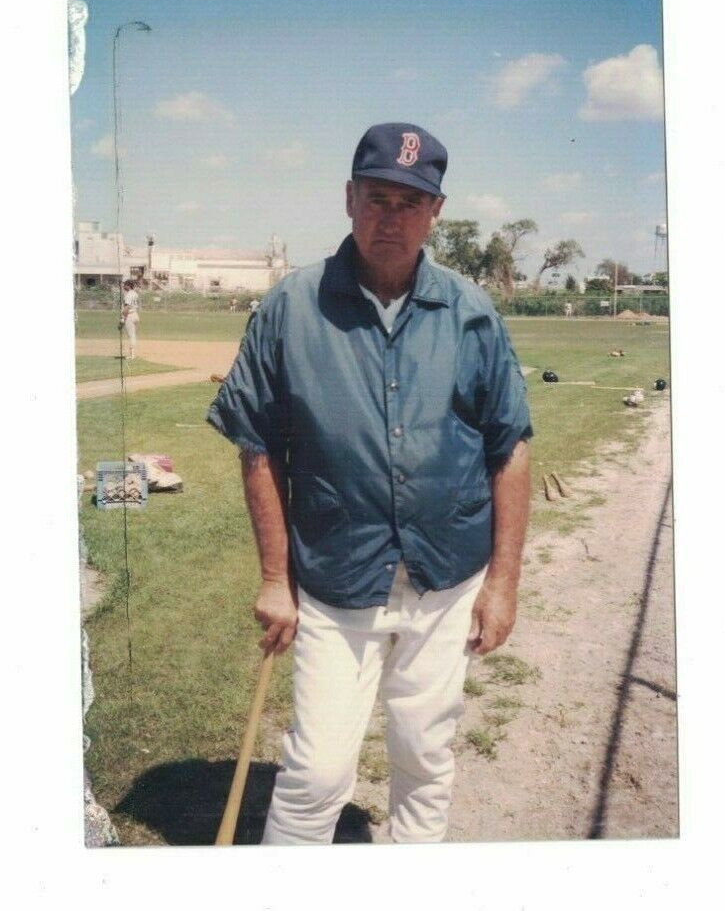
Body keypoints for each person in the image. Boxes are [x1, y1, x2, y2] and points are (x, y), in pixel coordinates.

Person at [207, 123, 533, 844]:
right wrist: (273, 577)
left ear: (436, 212)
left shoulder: (472, 313)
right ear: (348, 198)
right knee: (317, 772)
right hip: (336, 577)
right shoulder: (292, 308)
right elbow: (256, 443)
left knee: (424, 755)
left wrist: (503, 583)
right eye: (377, 197)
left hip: (446, 578)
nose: (392, 217)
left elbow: (509, 448)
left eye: (410, 203)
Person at [121, 279, 140, 361]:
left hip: (130, 316)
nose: (123, 286)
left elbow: (127, 308)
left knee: (131, 336)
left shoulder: (128, 295)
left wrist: (122, 319)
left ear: (128, 286)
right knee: (133, 335)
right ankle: (132, 354)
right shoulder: (135, 293)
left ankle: (132, 355)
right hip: (135, 315)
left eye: (125, 284)